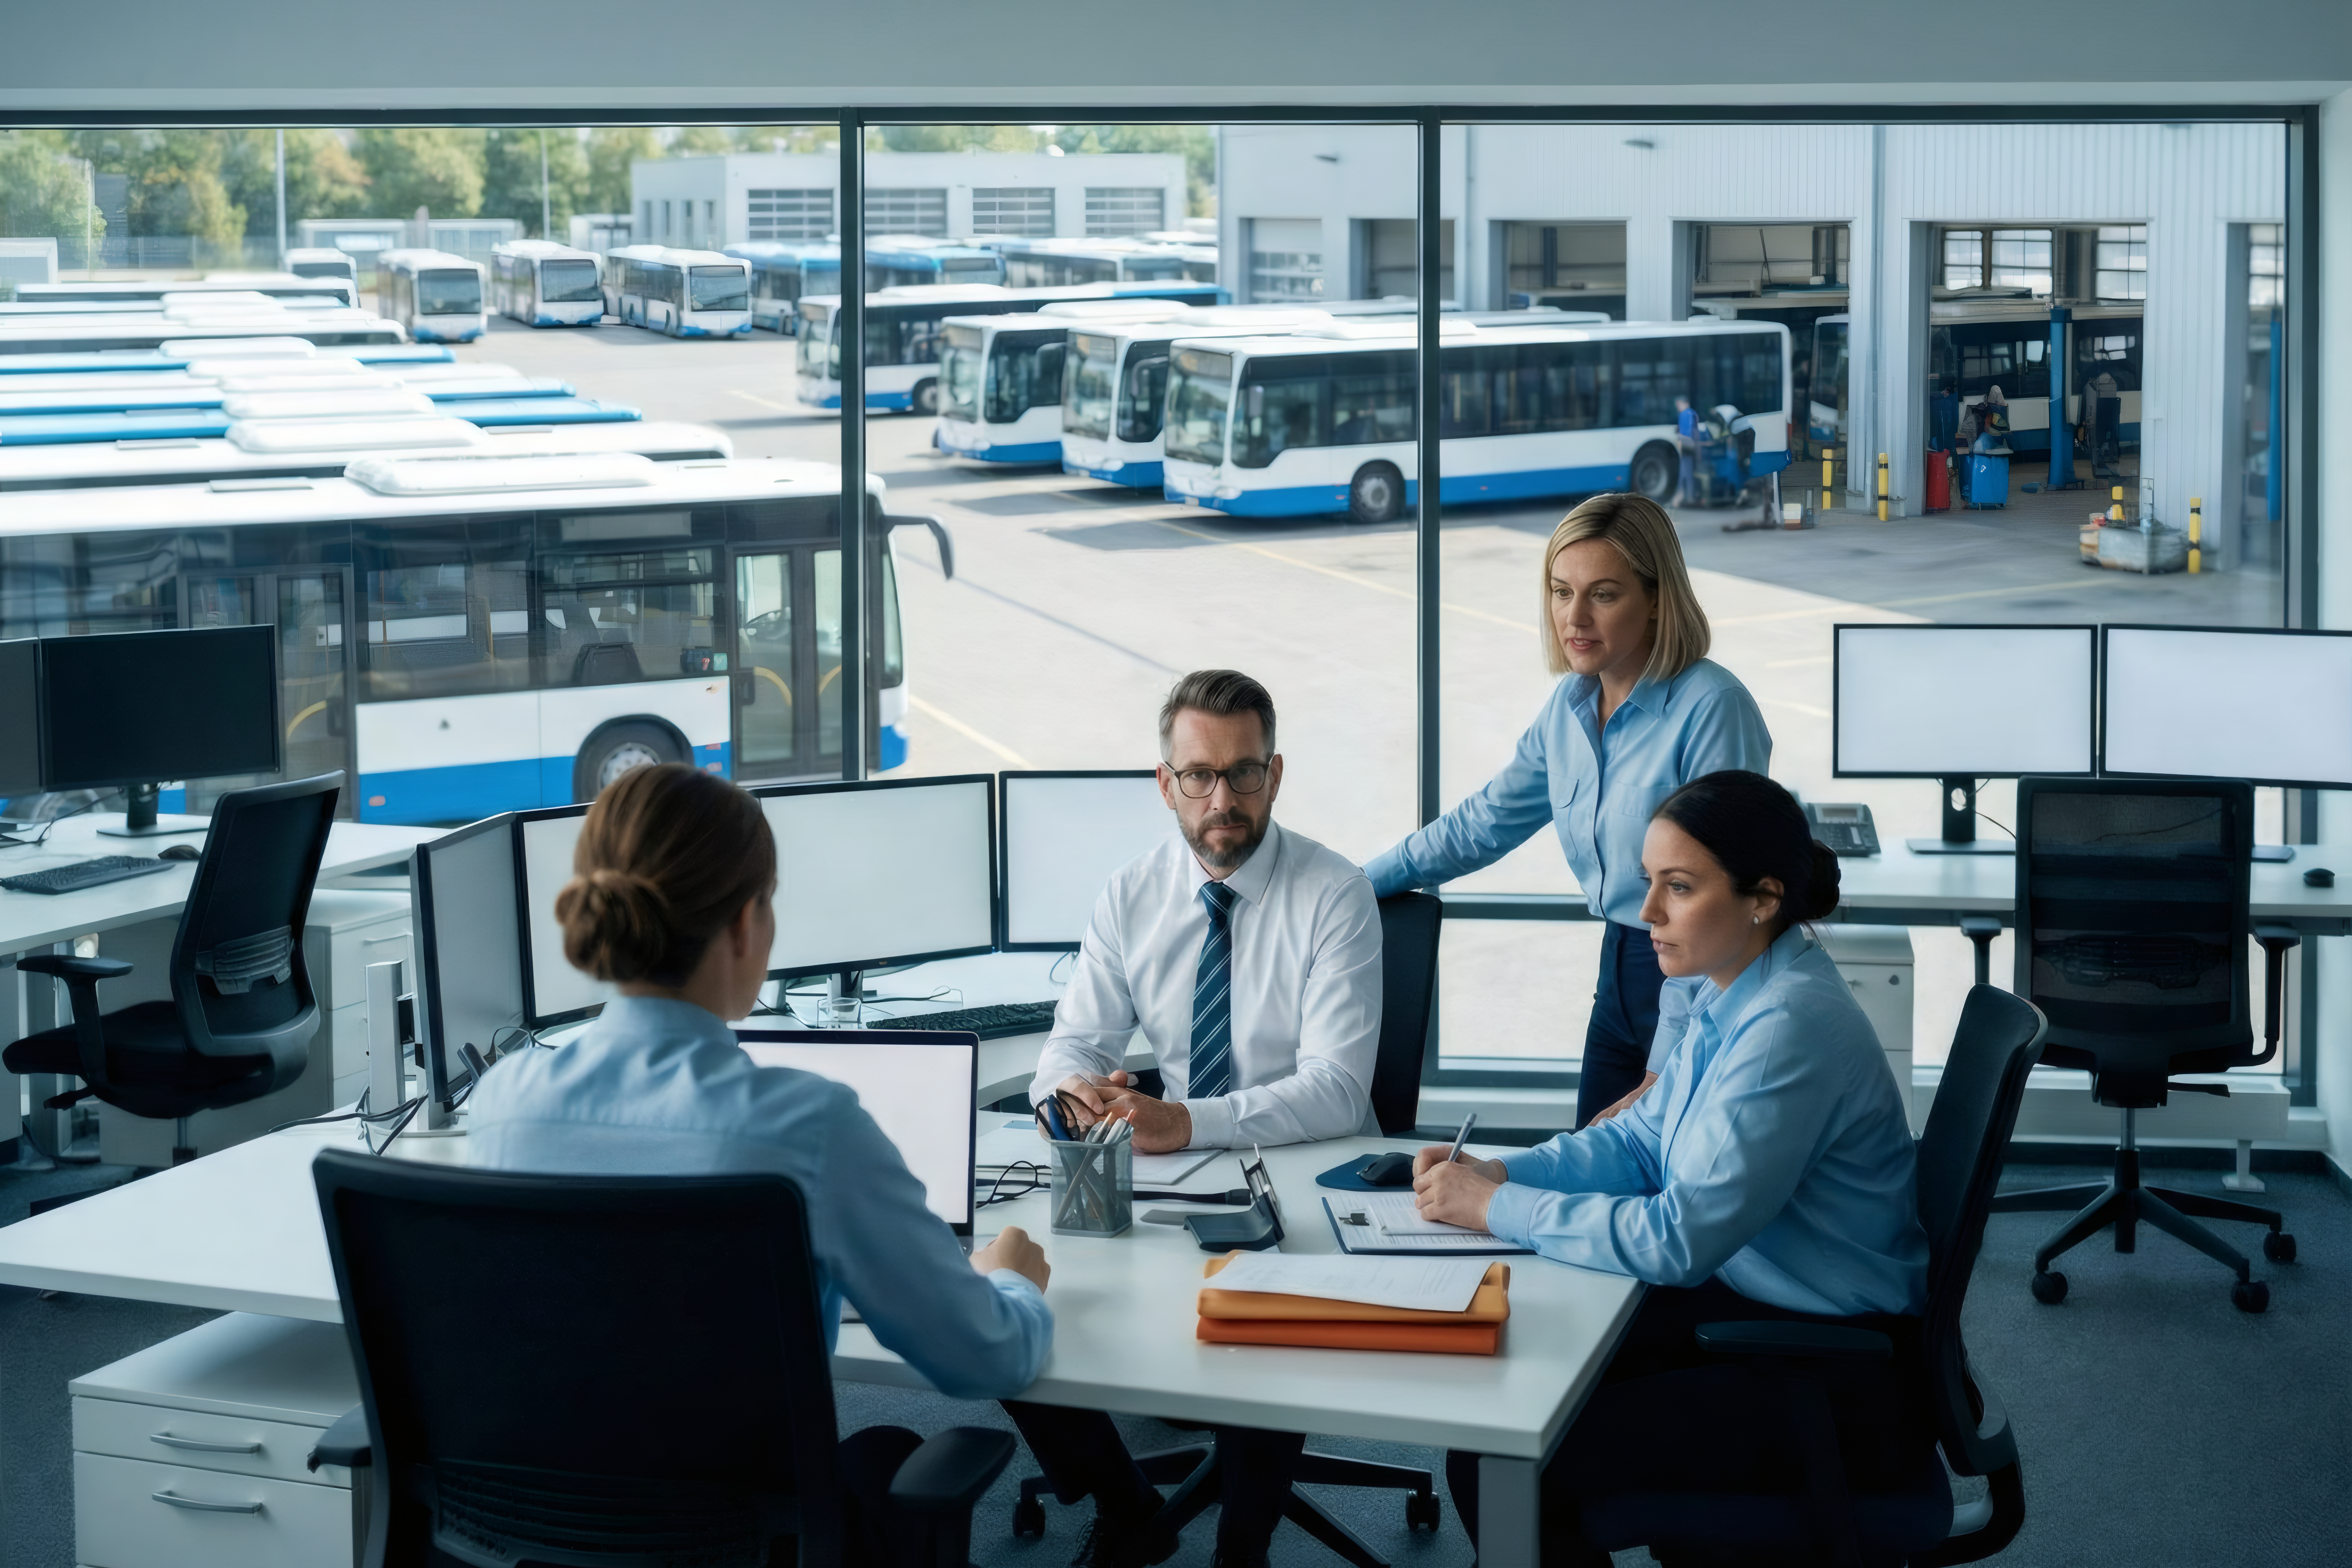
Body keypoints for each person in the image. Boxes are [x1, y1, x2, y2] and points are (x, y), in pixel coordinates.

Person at [467, 764, 1055, 1568]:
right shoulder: (805, 1127)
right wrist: (1012, 1279)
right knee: (886, 1450)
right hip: (745, 1547)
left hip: (534, 1537)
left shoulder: (503, 1104)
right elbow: (983, 1359)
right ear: (745, 923)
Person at [1409, 770, 1932, 1566]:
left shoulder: (1786, 1029)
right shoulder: (1737, 991)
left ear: (1761, 897)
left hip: (1827, 1375)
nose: (1646, 913)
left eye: (1677, 889)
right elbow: (1637, 1144)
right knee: (1506, 1391)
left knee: (1509, 1458)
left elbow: (1676, 1240)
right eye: (1649, 883)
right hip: (1756, 1308)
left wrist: (1494, 1210)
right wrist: (1503, 1174)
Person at [1011, 668, 1383, 1568]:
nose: (1223, 800)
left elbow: (1336, 1086)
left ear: (1276, 773)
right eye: (1198, 776)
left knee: (1268, 1302)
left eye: (1243, 773)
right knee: (1012, 1287)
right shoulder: (1129, 894)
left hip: (1305, 1169)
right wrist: (1070, 1098)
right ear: (1163, 781)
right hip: (1174, 1166)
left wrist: (1183, 1119)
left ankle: (1241, 1544)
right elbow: (1068, 1046)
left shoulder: (1334, 892)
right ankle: (1123, 1496)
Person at [1363, 494, 1770, 1129]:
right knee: (1592, 1167)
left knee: (1663, 1199)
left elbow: (1724, 899)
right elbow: (1484, 822)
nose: (1574, 616)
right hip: (1619, 976)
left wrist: (1667, 1061)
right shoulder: (1570, 707)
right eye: (1560, 591)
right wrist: (1356, 883)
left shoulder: (1712, 707)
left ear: (1657, 597)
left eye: (1604, 594)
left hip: (1702, 981)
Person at [1672, 394, 1699, 504]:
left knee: (1685, 471)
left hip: (1686, 445)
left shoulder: (1685, 414)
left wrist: (1680, 444)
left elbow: (1685, 433)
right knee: (1687, 471)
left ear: (1682, 403)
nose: (1677, 407)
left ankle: (1684, 496)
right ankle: (1686, 496)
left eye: (1678, 405)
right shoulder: (1693, 413)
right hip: (1692, 446)